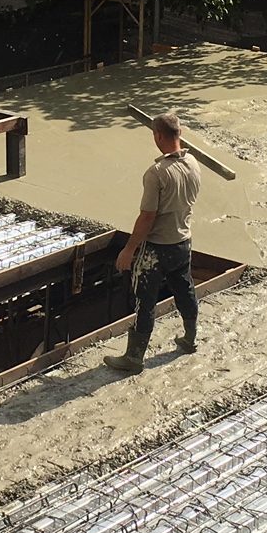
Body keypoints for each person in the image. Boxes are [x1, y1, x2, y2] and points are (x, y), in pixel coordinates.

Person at [104, 111, 201, 375]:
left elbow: (147, 217)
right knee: (185, 288)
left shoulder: (156, 173)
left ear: (158, 136)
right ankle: (190, 338)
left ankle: (134, 357)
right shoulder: (193, 163)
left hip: (157, 248)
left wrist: (129, 250)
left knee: (144, 300)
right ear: (180, 133)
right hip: (183, 241)